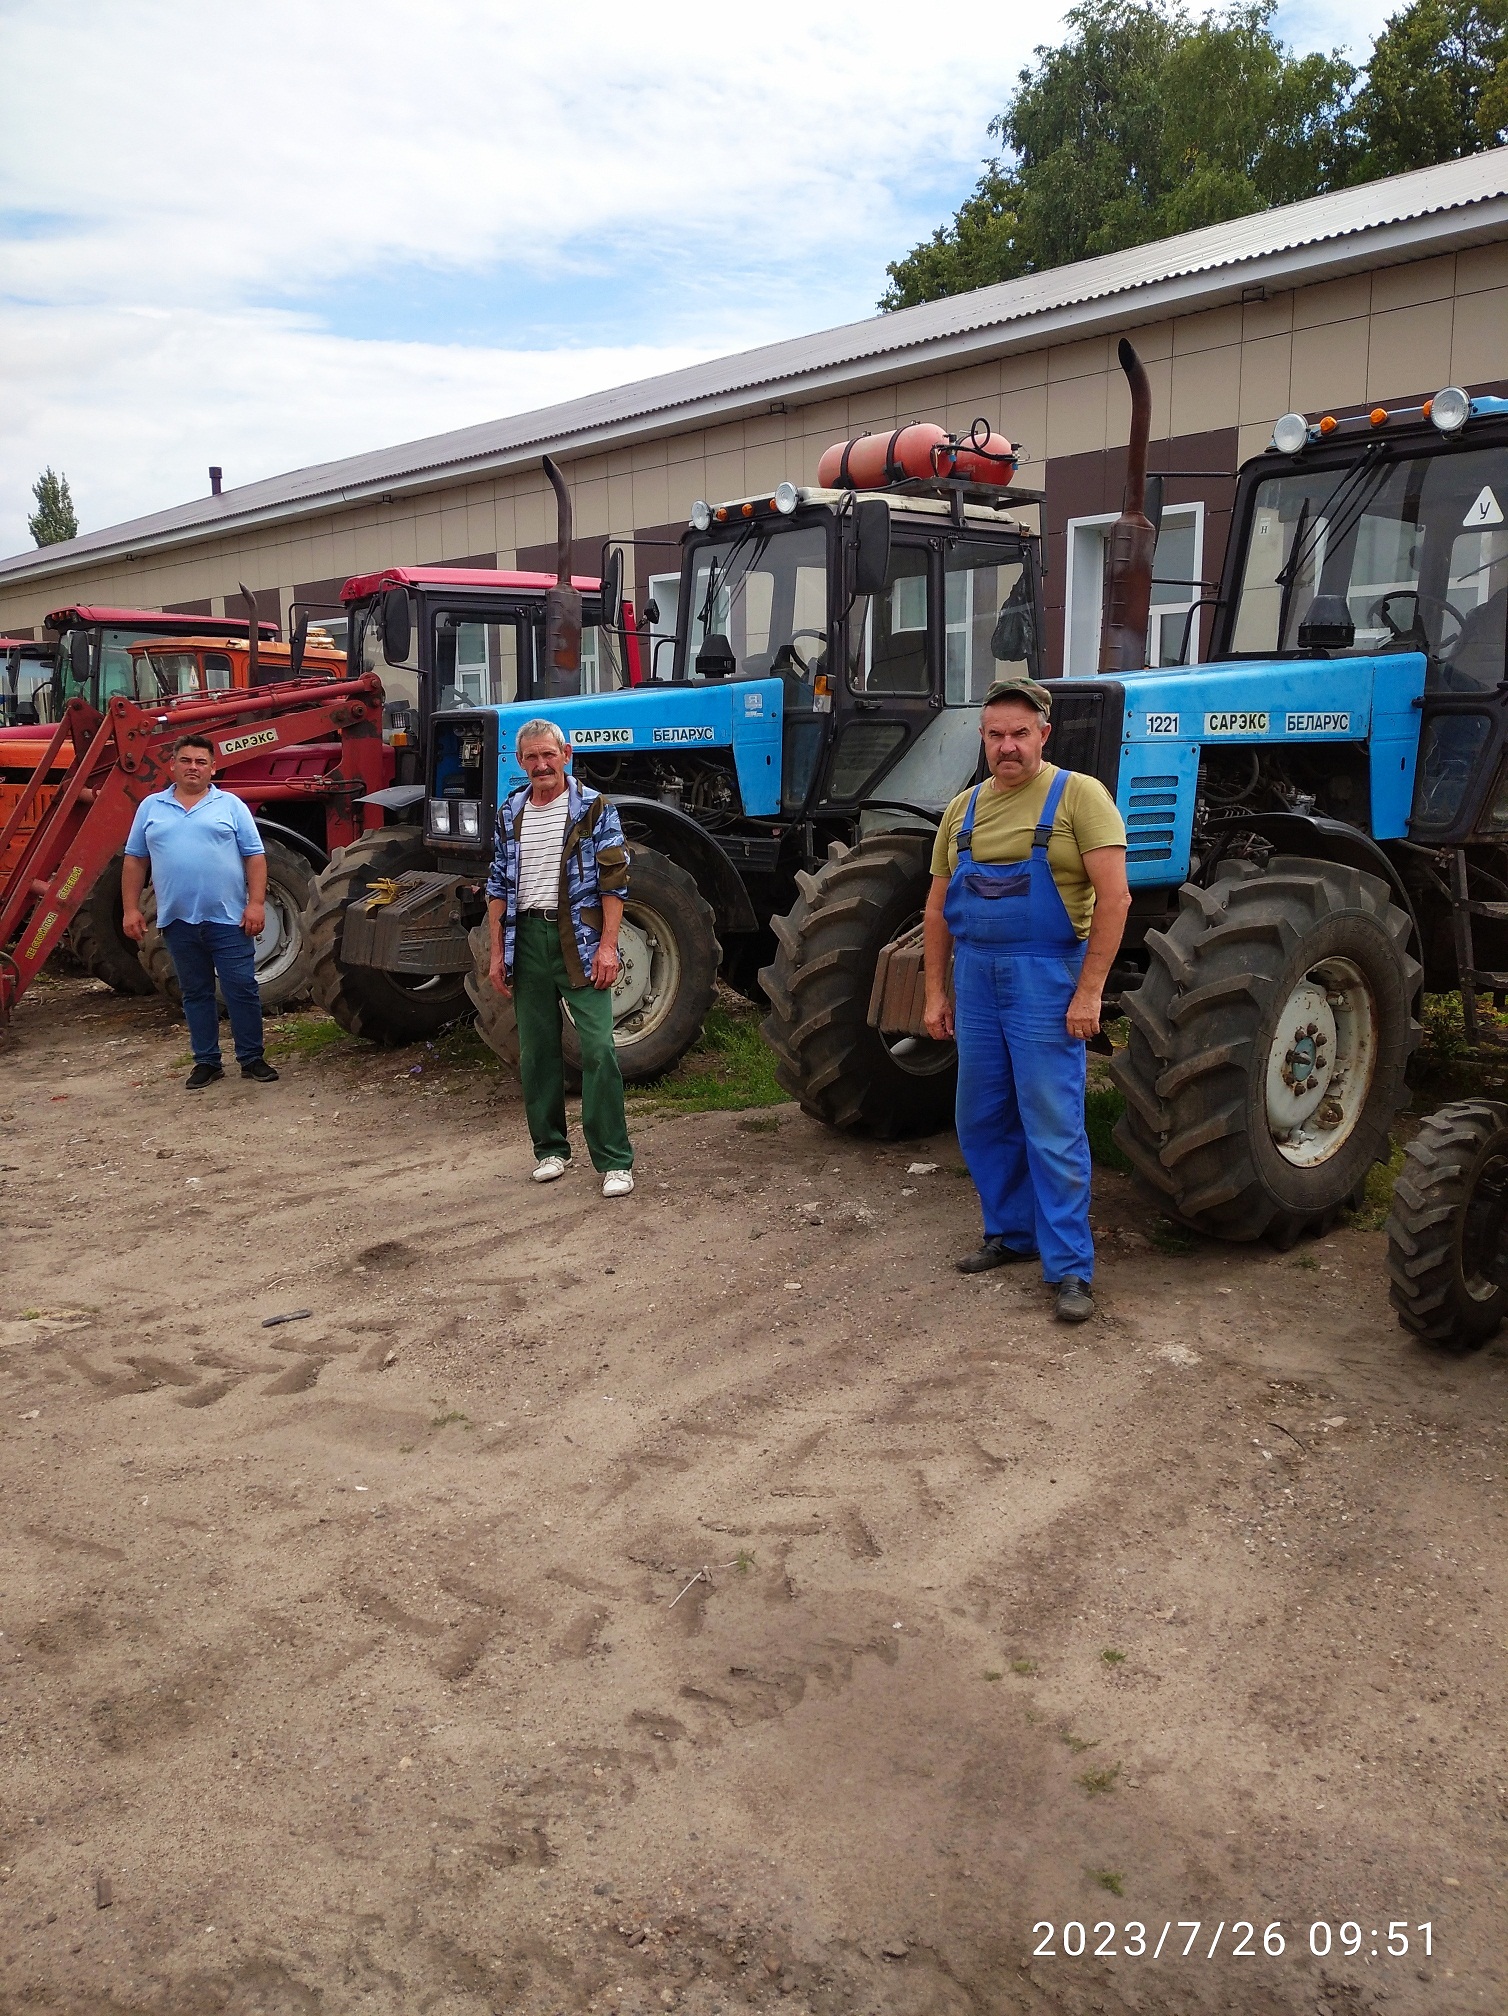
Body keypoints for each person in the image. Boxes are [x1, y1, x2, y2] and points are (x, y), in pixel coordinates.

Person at [923, 678, 1130, 1322]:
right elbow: (935, 908)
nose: (1007, 747)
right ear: (981, 739)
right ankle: (1010, 1233)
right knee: (981, 1115)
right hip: (977, 978)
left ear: (1044, 734)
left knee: (1052, 1124)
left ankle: (1070, 1268)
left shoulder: (1080, 797)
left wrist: (1090, 990)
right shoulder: (962, 810)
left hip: (1048, 977)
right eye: (995, 735)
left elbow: (1116, 900)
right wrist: (935, 992)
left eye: (1019, 734)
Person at [485, 718, 635, 1196]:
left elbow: (614, 883)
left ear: (566, 755)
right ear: (520, 762)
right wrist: (496, 953)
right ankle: (549, 1149)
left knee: (598, 1048)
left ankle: (614, 1160)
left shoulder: (593, 809)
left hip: (580, 942)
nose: (540, 764)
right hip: (526, 937)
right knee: (537, 1053)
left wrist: (609, 946)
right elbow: (496, 885)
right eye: (530, 757)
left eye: (548, 755)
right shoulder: (511, 812)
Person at [121, 732, 279, 1091]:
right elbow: (135, 861)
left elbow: (254, 856)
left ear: (212, 768)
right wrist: (131, 909)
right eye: (186, 760)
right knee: (195, 992)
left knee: (241, 987)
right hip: (177, 919)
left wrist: (255, 904)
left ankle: (252, 1058)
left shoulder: (231, 806)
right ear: (172, 765)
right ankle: (206, 1062)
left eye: (201, 762)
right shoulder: (150, 808)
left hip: (228, 918)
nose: (193, 767)